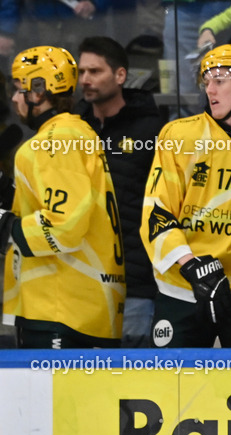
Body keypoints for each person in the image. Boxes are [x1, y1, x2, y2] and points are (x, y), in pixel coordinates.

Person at [141, 44, 231, 348]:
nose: (210, 89)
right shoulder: (179, 136)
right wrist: (191, 265)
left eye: (220, 80)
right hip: (182, 289)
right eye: (206, 80)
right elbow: (156, 213)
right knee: (173, 389)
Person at [0, 46, 124, 349]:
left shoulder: (52, 142)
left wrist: (5, 225)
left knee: (58, 399)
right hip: (82, 304)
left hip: (60, 307)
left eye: (19, 90)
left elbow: (62, 227)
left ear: (39, 92)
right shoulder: (78, 132)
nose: (15, 99)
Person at [76, 36, 164, 348]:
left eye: (95, 71)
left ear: (120, 75)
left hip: (135, 285)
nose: (86, 79)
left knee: (136, 385)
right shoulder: (73, 129)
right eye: (81, 71)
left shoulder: (152, 131)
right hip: (83, 284)